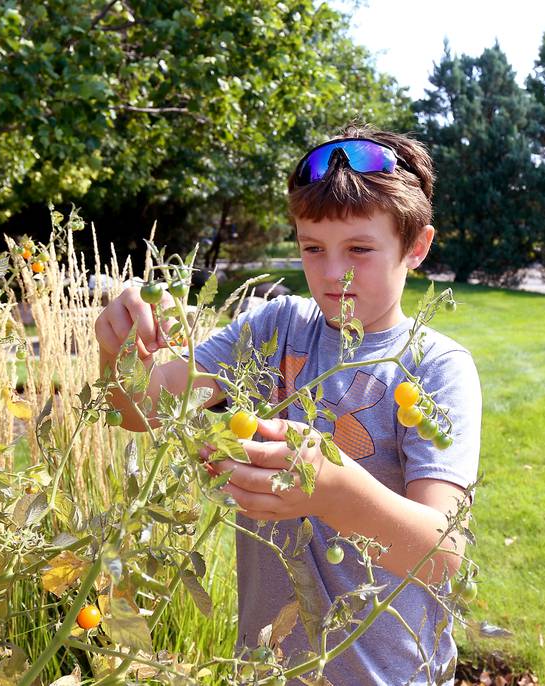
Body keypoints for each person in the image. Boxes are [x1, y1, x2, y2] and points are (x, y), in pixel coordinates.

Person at [94, 123, 481, 685]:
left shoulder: (435, 368)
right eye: (312, 248)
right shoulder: (276, 328)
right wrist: (120, 349)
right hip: (268, 666)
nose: (330, 274)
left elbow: (443, 556)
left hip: (388, 672)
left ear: (415, 247)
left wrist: (331, 489)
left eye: (360, 249)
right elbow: (136, 412)